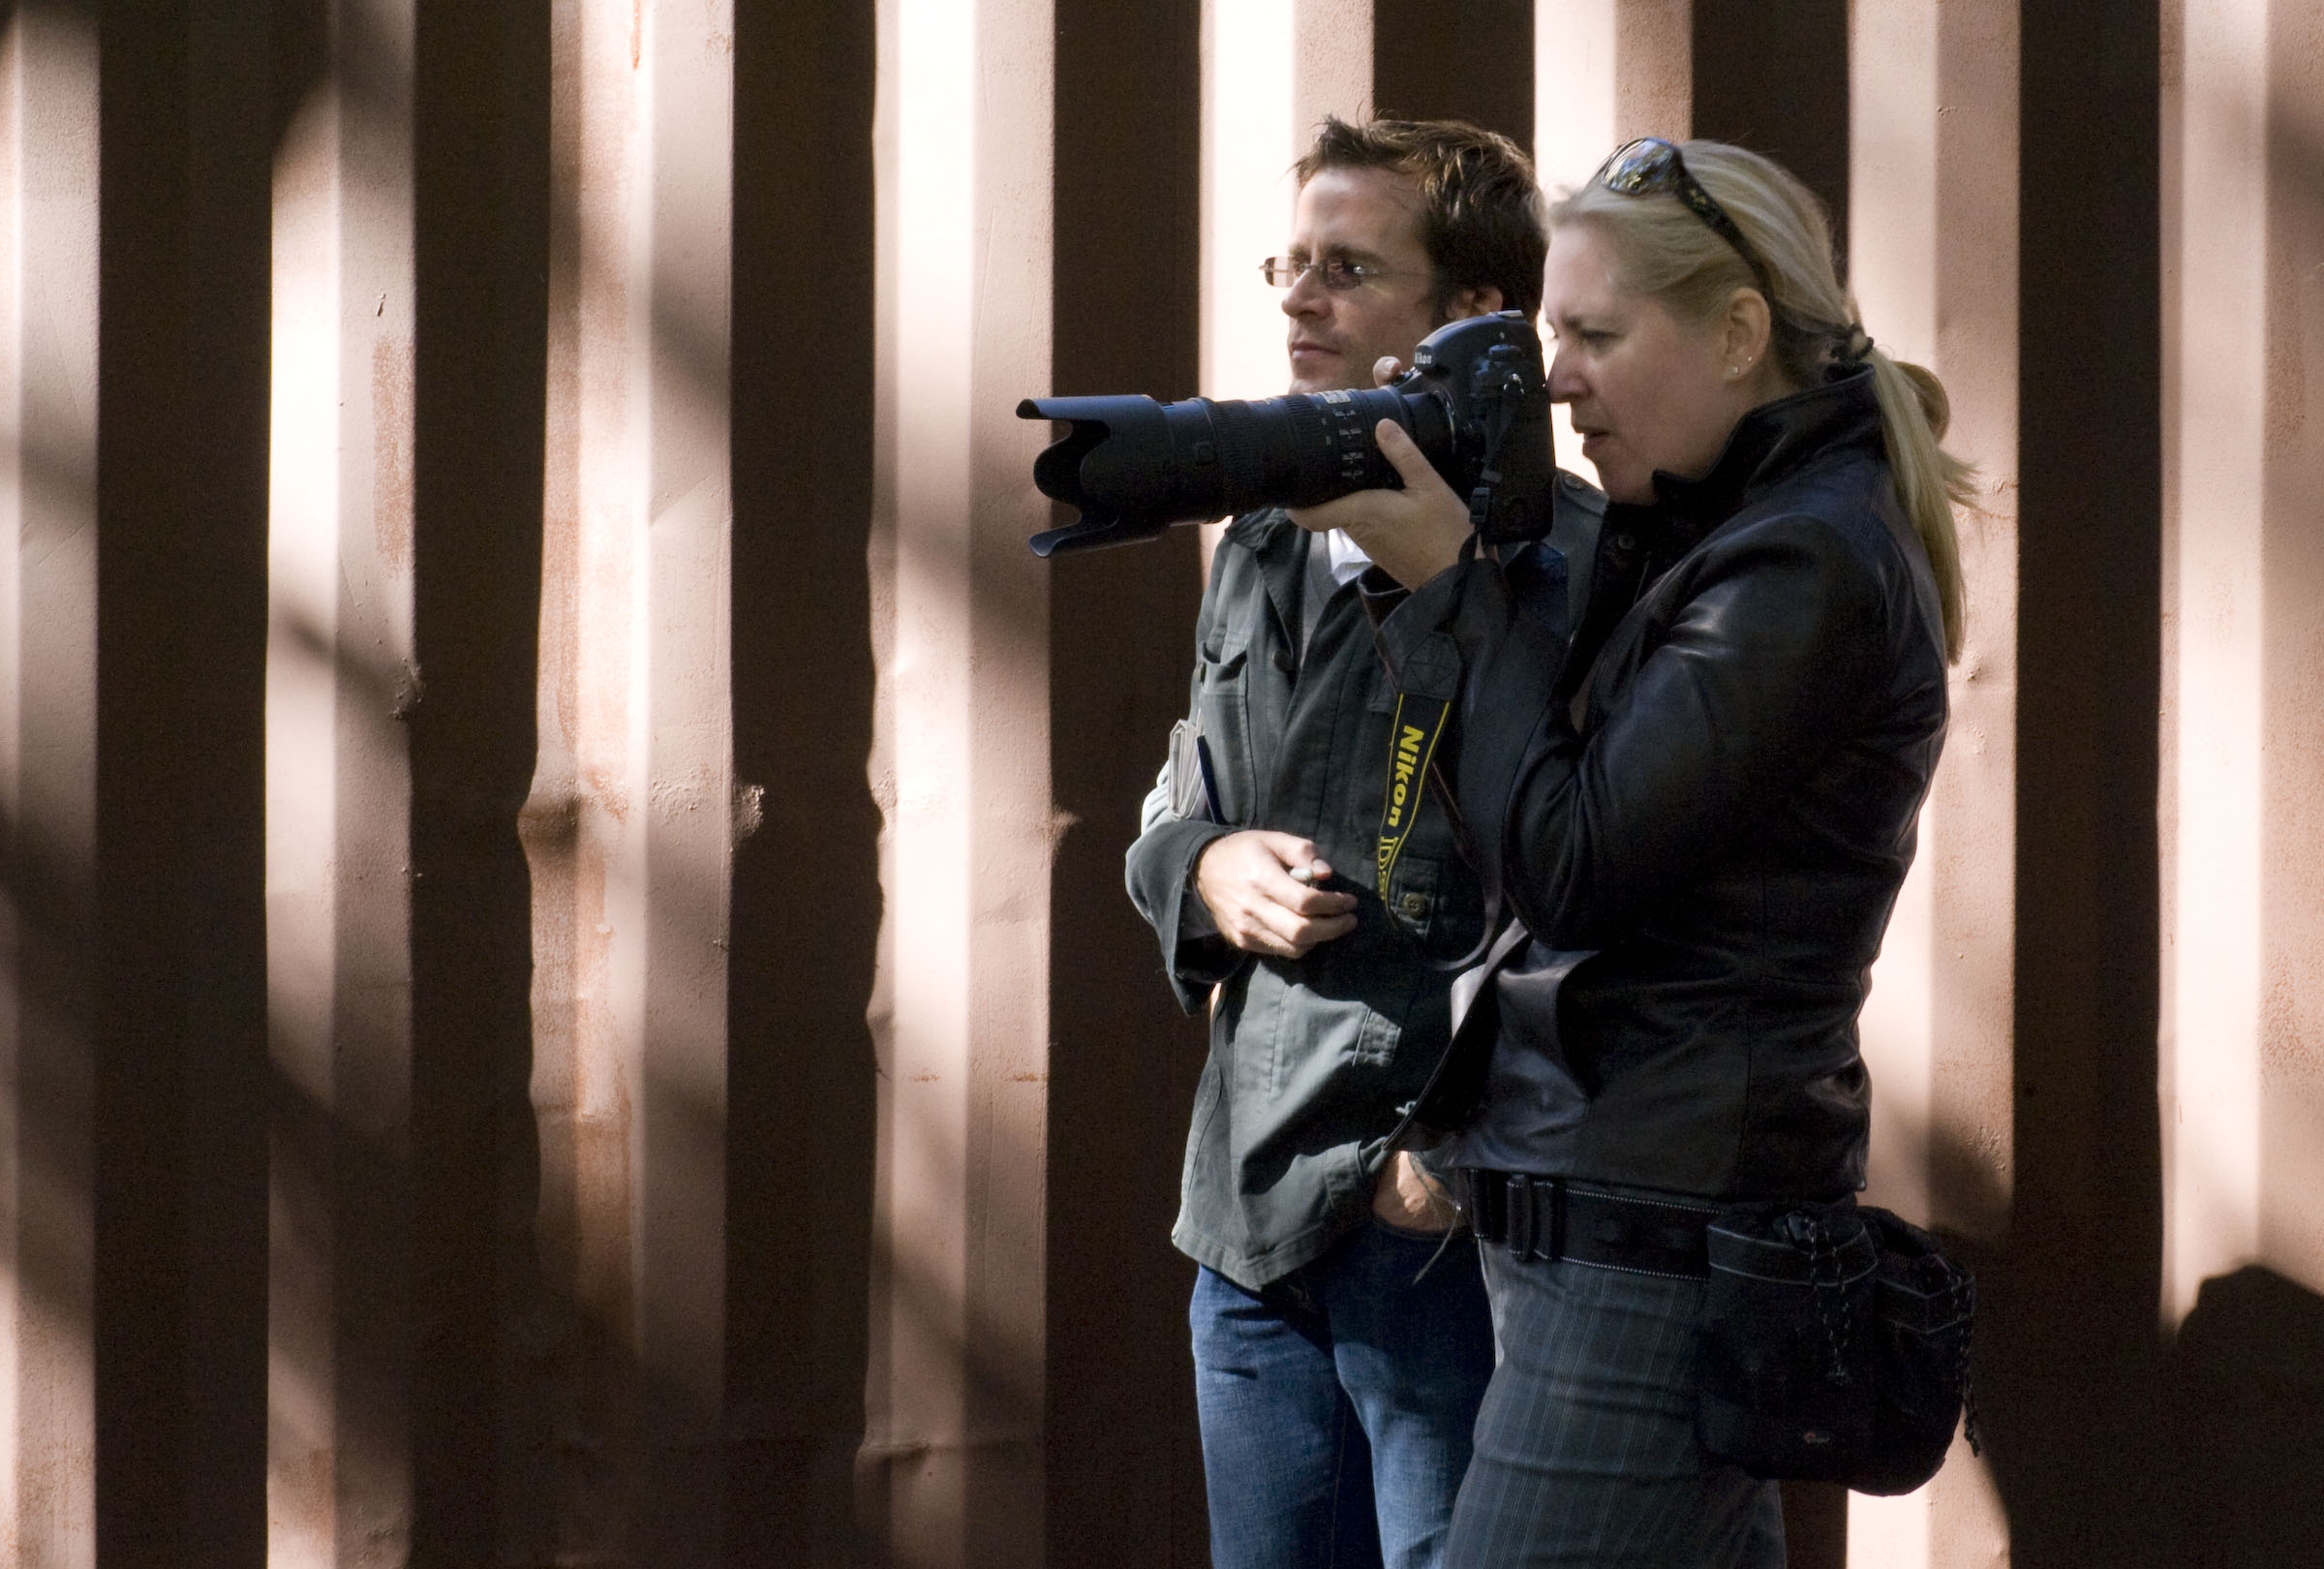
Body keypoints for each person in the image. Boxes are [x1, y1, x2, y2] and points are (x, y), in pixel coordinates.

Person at [1291, 137, 1972, 1567]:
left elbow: (1575, 862)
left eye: (1597, 335)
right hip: (1608, 1218)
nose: (1556, 377)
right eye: (1554, 336)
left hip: (1652, 1247)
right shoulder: (1706, 529)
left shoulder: (1802, 564)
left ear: (1736, 333)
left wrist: (1449, 596)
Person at [1123, 117, 1603, 1569]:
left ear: (1470, 319)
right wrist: (1203, 867)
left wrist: (1455, 1156)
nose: (1298, 298)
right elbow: (1169, 803)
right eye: (1292, 262)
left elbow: (1607, 893)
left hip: (1437, 1228)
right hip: (1249, 1217)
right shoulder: (1260, 540)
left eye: (1349, 267)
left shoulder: (1569, 570)